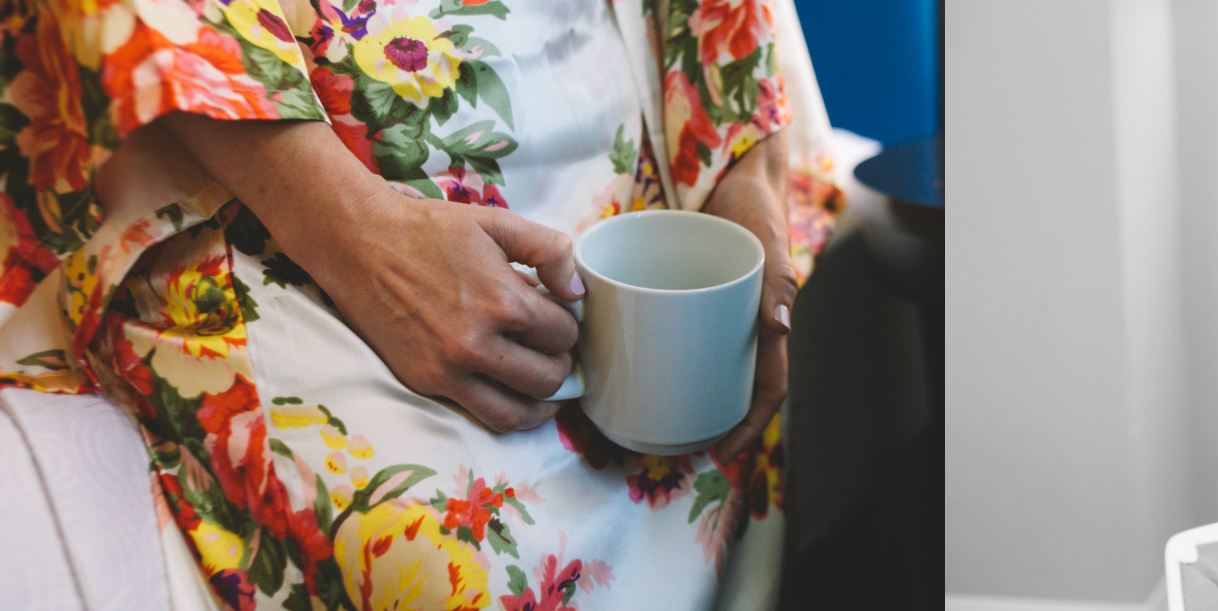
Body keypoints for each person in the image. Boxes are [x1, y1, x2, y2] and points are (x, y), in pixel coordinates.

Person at [0, 0, 844, 608]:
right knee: (456, 570)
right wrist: (357, 237)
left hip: (620, 129)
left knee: (726, 436)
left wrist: (747, 177)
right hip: (289, 174)